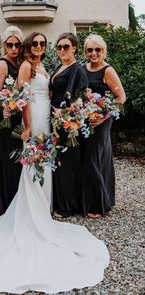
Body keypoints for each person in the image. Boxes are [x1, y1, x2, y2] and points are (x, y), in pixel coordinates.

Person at [0, 32, 109, 293]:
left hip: (48, 117)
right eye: (35, 43)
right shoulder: (26, 65)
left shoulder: (44, 66)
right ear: (28, 45)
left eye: (43, 44)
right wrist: (28, 125)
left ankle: (44, 206)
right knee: (35, 163)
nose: (39, 47)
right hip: (35, 119)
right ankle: (33, 210)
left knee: (45, 163)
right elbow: (21, 98)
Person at [82, 34, 126, 218]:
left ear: (103, 51)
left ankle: (100, 205)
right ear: (85, 52)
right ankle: (88, 201)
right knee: (86, 159)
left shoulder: (108, 71)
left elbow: (121, 98)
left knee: (95, 159)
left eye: (97, 49)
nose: (94, 53)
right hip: (85, 121)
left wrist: (103, 116)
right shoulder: (83, 68)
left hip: (102, 121)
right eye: (90, 50)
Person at [50, 32, 88, 217]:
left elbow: (77, 99)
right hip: (55, 119)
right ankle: (59, 201)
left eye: (66, 46)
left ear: (74, 48)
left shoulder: (77, 70)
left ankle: (68, 206)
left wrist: (64, 117)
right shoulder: (60, 66)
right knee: (59, 161)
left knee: (67, 163)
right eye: (59, 47)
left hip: (66, 121)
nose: (62, 50)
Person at [0, 26, 23, 215]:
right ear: (4, 45)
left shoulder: (19, 64)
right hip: (6, 120)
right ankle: (4, 203)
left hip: (18, 119)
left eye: (17, 45)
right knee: (7, 160)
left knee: (17, 160)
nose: (13, 48)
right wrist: (3, 106)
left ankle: (17, 200)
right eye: (9, 44)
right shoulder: (2, 64)